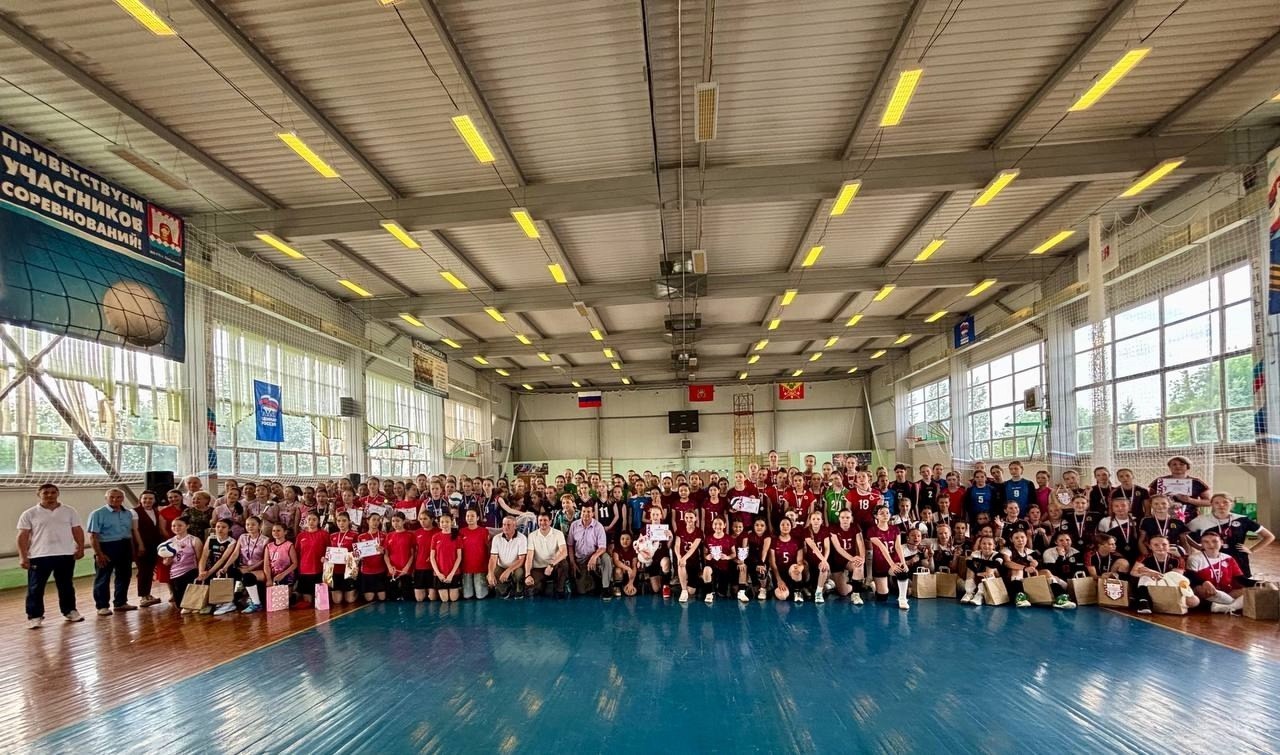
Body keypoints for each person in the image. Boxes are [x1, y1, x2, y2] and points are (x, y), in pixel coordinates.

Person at [18, 483, 86, 628]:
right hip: (39, 556)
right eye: (46, 493)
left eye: (53, 492)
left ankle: (70, 611)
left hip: (65, 554)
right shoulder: (29, 513)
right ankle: (35, 616)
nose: (50, 495)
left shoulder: (69, 511)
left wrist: (80, 548)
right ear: (39, 495)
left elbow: (77, 530)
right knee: (35, 588)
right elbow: (22, 536)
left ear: (57, 493)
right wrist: (23, 557)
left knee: (66, 585)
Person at [1186, 493, 1274, 578]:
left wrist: (1252, 550)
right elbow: (1183, 533)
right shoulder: (1201, 520)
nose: (1221, 505)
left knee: (1241, 584)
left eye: (1225, 502)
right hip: (1212, 559)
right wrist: (1197, 546)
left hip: (1238, 559)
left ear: (1232, 504)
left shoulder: (1242, 520)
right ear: (1211, 504)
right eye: (1217, 502)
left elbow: (1269, 536)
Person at [87, 488, 142, 616]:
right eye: (112, 497)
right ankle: (102, 606)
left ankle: (120, 602)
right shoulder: (98, 514)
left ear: (123, 499)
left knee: (124, 575)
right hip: (106, 546)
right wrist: (99, 554)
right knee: (103, 577)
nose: (115, 499)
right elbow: (93, 536)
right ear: (106, 498)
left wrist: (132, 551)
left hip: (124, 546)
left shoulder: (127, 513)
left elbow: (129, 533)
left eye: (118, 497)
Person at [1131, 535, 1200, 615]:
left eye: (1164, 544)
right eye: (1156, 545)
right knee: (1144, 577)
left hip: (1170, 586)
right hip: (1152, 585)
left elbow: (1175, 577)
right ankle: (1144, 602)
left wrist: (1150, 571)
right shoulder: (1145, 557)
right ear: (1150, 546)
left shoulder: (1177, 559)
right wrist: (1149, 574)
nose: (1160, 547)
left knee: (1194, 601)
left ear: (1169, 546)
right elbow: (1133, 572)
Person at [1186, 530, 1251, 614]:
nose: (1211, 545)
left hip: (1227, 592)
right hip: (1208, 593)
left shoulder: (1228, 558)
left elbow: (1241, 579)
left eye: (1215, 541)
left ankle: (1227, 607)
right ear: (1201, 544)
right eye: (1206, 542)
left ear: (1222, 542)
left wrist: (1258, 583)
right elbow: (1191, 577)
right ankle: (1234, 605)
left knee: (1249, 591)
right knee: (1199, 588)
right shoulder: (1195, 558)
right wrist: (1204, 582)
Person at [866, 505, 910, 611]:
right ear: (876, 516)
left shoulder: (895, 529)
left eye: (887, 512)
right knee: (882, 597)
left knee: (902, 571)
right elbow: (882, 548)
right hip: (880, 564)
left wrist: (903, 562)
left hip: (893, 561)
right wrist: (892, 564)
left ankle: (902, 599)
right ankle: (874, 585)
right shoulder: (872, 530)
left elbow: (898, 546)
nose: (885, 515)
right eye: (881, 513)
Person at [568, 504, 611, 598]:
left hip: (595, 557)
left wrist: (594, 557)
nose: (586, 514)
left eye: (588, 511)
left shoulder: (598, 526)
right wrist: (572, 562)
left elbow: (602, 547)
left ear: (593, 513)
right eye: (584, 511)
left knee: (606, 558)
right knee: (581, 590)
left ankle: (606, 588)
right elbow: (570, 545)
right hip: (580, 559)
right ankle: (594, 580)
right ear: (581, 513)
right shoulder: (574, 525)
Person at [197, 519, 238, 615]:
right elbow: (204, 556)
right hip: (210, 566)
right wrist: (201, 572)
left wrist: (209, 573)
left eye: (223, 527)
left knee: (220, 575)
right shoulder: (210, 538)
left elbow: (222, 560)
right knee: (201, 578)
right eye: (218, 527)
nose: (220, 529)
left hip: (224, 568)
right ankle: (205, 603)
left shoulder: (232, 542)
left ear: (229, 529)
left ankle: (226, 603)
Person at [161, 517, 202, 611]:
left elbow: (200, 559)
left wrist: (200, 573)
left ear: (187, 526)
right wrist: (168, 560)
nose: (176, 528)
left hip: (190, 571)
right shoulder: (169, 542)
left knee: (191, 603)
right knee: (179, 605)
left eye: (180, 525)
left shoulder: (194, 540)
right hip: (175, 574)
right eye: (173, 526)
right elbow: (165, 562)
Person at [133, 490, 166, 608]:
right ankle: (143, 596)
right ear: (140, 499)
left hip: (154, 545)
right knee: (143, 570)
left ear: (154, 500)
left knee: (149, 570)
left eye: (151, 498)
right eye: (145, 498)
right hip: (141, 545)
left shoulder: (156, 511)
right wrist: (140, 545)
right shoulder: (134, 512)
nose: (148, 501)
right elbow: (135, 529)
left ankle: (147, 594)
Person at [525, 512, 569, 598]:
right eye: (540, 520)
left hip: (554, 566)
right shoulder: (532, 536)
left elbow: (564, 552)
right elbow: (529, 557)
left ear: (550, 522)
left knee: (564, 564)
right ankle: (542, 586)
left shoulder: (558, 533)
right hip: (538, 568)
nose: (542, 522)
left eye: (545, 520)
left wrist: (551, 565)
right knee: (532, 590)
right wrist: (527, 575)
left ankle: (559, 589)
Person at [828, 509, 866, 605]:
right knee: (843, 592)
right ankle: (836, 583)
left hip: (849, 561)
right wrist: (852, 558)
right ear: (839, 518)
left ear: (851, 518)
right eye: (843, 517)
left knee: (859, 566)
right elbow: (838, 548)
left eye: (847, 517)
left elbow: (861, 544)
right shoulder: (834, 528)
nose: (845, 520)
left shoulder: (855, 527)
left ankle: (856, 594)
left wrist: (862, 559)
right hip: (837, 561)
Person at [235, 516, 269, 613]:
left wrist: (250, 569)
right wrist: (225, 567)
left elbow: (265, 559)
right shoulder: (242, 537)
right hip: (244, 566)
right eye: (247, 524)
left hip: (259, 569)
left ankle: (257, 604)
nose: (250, 527)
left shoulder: (265, 540)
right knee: (232, 572)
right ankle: (230, 602)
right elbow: (235, 554)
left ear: (259, 526)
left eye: (253, 524)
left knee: (247, 576)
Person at [487, 516, 527, 598]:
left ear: (515, 526)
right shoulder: (496, 538)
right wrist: (490, 573)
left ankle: (518, 588)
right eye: (504, 524)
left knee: (519, 574)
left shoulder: (522, 538)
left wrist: (508, 571)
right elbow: (493, 558)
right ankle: (505, 589)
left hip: (516, 567)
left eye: (508, 525)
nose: (505, 527)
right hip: (501, 566)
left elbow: (521, 560)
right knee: (492, 573)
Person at [295, 513, 329, 606]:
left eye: (314, 519)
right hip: (304, 570)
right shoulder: (301, 536)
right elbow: (297, 553)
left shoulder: (324, 534)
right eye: (309, 519)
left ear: (318, 521)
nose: (311, 522)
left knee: (320, 602)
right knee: (308, 601)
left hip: (319, 570)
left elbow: (329, 550)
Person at [770, 517, 806, 603]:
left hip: (791, 572)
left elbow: (800, 561)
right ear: (779, 526)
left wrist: (801, 567)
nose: (785, 526)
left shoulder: (797, 541)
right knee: (782, 596)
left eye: (787, 524)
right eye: (782, 524)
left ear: (791, 526)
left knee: (796, 568)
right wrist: (779, 580)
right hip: (779, 574)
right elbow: (773, 563)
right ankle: (783, 589)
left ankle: (798, 591)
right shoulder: (774, 541)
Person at [458, 509, 491, 600]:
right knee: (467, 596)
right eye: (468, 516)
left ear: (477, 518)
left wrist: (489, 567)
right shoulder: (461, 532)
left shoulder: (484, 531)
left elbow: (488, 549)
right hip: (466, 567)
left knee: (480, 596)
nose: (470, 518)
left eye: (472, 516)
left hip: (480, 567)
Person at [961, 535, 1004, 607]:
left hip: (995, 580)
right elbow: (968, 563)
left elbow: (994, 564)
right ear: (980, 545)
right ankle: (969, 593)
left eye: (989, 544)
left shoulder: (998, 555)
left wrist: (976, 560)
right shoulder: (976, 553)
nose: (986, 546)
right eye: (984, 543)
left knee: (990, 568)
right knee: (970, 569)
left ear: (994, 546)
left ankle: (980, 594)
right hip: (979, 577)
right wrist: (979, 573)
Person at [800, 510, 832, 604]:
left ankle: (819, 593)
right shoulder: (806, 531)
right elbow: (813, 546)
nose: (816, 521)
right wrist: (824, 560)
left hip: (820, 561)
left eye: (818, 519)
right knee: (804, 568)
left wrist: (824, 561)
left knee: (824, 568)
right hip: (809, 561)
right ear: (810, 520)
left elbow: (827, 548)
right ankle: (805, 587)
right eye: (813, 519)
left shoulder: (825, 530)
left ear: (822, 521)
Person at [702, 517, 736, 604]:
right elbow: (704, 553)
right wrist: (707, 557)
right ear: (712, 525)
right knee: (706, 570)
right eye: (715, 524)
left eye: (720, 524)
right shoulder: (708, 538)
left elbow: (734, 554)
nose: (717, 526)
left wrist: (727, 557)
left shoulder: (729, 538)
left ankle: (720, 587)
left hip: (724, 568)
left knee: (722, 594)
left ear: (724, 525)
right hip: (712, 567)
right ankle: (709, 593)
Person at [430, 513, 462, 603]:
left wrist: (452, 574)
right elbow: (432, 557)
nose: (444, 524)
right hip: (440, 574)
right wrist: (438, 573)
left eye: (447, 522)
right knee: (445, 600)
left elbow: (459, 557)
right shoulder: (435, 537)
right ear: (439, 523)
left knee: (453, 599)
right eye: (442, 522)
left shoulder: (457, 538)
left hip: (454, 573)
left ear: (451, 522)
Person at [383, 513, 416, 601]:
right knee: (392, 598)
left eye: (398, 521)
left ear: (403, 521)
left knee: (407, 597)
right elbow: (386, 554)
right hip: (392, 571)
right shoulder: (389, 535)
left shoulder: (410, 535)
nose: (395, 523)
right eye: (393, 521)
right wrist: (389, 567)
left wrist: (407, 568)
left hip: (406, 571)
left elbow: (413, 554)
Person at [329, 512, 359, 605]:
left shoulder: (355, 535)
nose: (341, 523)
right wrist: (325, 558)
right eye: (338, 521)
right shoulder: (332, 536)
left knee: (349, 600)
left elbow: (358, 554)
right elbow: (329, 552)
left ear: (349, 521)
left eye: (344, 521)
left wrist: (353, 558)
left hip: (348, 570)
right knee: (337, 601)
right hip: (335, 570)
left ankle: (358, 590)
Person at [357, 514, 388, 603]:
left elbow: (388, 552)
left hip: (381, 571)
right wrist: (359, 556)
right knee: (369, 599)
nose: (376, 522)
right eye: (373, 519)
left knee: (382, 598)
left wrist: (383, 551)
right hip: (366, 571)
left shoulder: (384, 535)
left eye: (378, 520)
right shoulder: (361, 537)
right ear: (368, 521)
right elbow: (357, 555)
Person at [612, 531, 639, 597]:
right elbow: (616, 561)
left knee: (632, 593)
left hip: (631, 575)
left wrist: (631, 583)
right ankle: (617, 587)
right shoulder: (617, 549)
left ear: (631, 540)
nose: (625, 541)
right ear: (619, 540)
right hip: (621, 574)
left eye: (627, 539)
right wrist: (627, 568)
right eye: (622, 539)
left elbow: (634, 566)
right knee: (618, 570)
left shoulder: (633, 550)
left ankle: (630, 585)